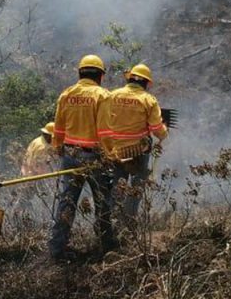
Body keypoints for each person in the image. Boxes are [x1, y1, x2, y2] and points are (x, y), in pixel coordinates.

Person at [47, 54, 115, 261]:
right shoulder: (103, 96)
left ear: (79, 73)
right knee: (103, 202)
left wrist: (58, 148)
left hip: (70, 155)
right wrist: (110, 154)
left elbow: (58, 128)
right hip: (94, 155)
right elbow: (104, 131)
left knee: (66, 202)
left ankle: (57, 251)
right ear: (101, 76)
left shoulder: (67, 94)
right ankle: (106, 246)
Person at [100, 63, 168, 230]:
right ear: (146, 83)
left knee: (118, 185)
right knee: (136, 187)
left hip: (115, 151)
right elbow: (157, 130)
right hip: (139, 152)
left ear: (129, 78)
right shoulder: (148, 100)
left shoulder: (112, 95)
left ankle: (114, 223)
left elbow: (102, 122)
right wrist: (165, 130)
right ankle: (129, 223)